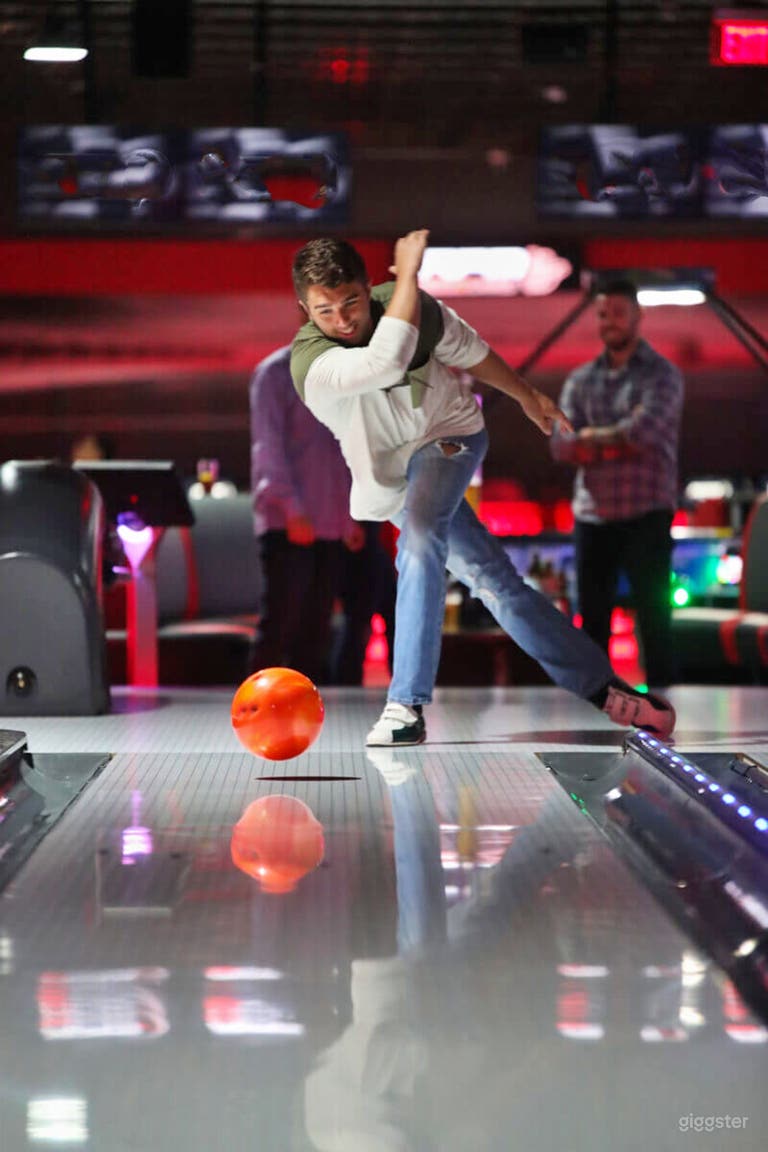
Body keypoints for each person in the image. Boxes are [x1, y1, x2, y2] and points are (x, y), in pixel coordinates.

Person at [289, 231, 676, 746]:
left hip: (450, 438)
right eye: (325, 311)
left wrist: (526, 394)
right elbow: (384, 361)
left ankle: (405, 705)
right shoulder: (312, 364)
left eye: (351, 302)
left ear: (367, 288)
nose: (342, 320)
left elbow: (469, 350)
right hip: (396, 479)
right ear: (305, 310)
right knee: (495, 584)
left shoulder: (416, 309)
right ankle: (606, 689)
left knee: (421, 536)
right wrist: (408, 278)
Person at [550, 279, 684, 688]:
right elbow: (561, 445)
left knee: (654, 622)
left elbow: (645, 433)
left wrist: (590, 439)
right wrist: (617, 439)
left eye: (618, 313)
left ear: (638, 316)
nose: (609, 322)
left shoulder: (663, 374)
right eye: (603, 314)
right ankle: (597, 708)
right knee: (592, 624)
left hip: (647, 514)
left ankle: (663, 706)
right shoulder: (580, 380)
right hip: (593, 517)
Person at [250, 344, 364, 685]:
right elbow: (267, 446)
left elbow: (342, 448)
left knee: (317, 632)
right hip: (287, 524)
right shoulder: (276, 373)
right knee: (280, 625)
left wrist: (348, 515)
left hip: (330, 523)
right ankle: (254, 708)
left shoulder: (342, 372)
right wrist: (291, 508)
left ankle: (306, 710)